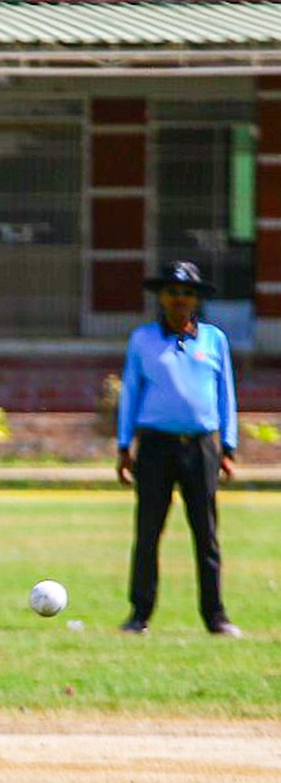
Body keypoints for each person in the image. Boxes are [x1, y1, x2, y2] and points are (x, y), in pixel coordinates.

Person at [115, 261, 241, 638]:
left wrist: (228, 447)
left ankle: (215, 616)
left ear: (196, 299)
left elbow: (225, 394)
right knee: (148, 531)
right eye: (172, 292)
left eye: (187, 293)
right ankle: (139, 614)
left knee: (206, 535)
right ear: (161, 297)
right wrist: (124, 446)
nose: (179, 299)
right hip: (155, 446)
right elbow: (131, 392)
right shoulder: (143, 340)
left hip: (200, 446)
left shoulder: (214, 340)